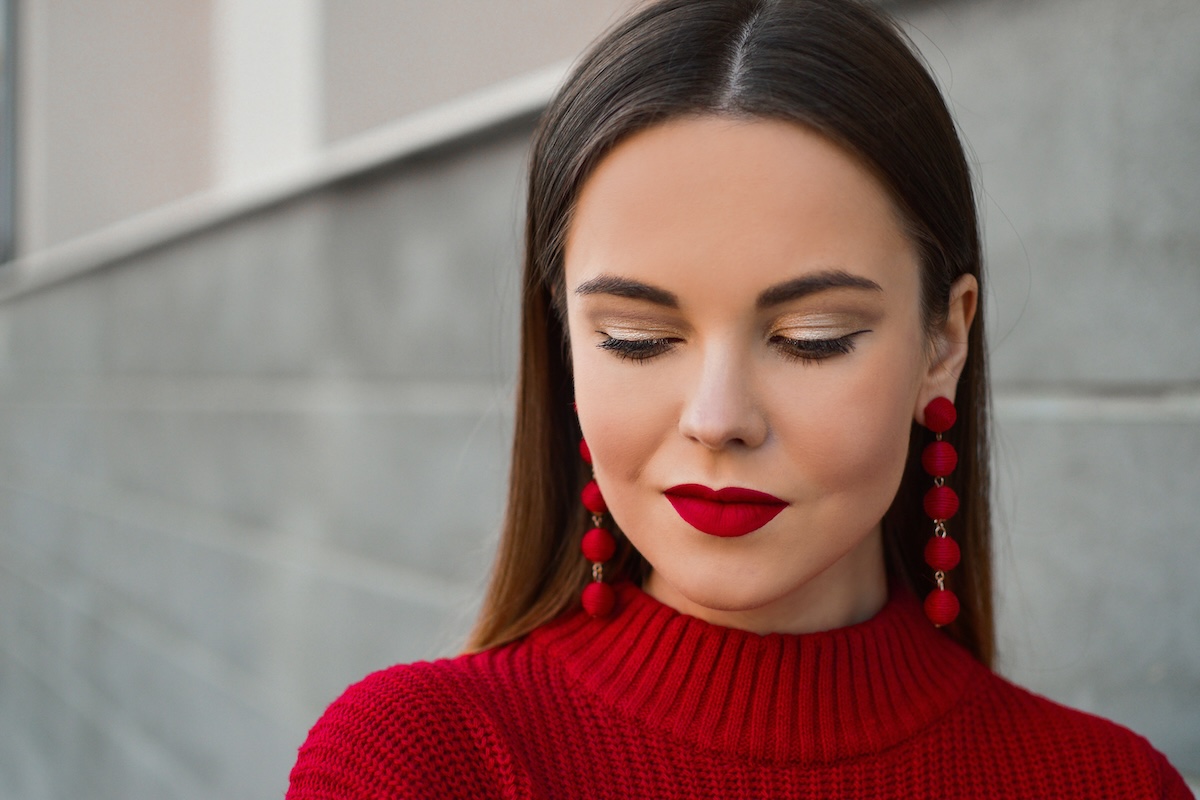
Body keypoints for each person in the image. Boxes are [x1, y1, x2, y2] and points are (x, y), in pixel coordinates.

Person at [286, 1, 1192, 797]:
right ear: (564, 345)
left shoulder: (1111, 785)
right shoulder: (419, 766)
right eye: (637, 340)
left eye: (811, 339)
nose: (717, 419)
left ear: (943, 342)